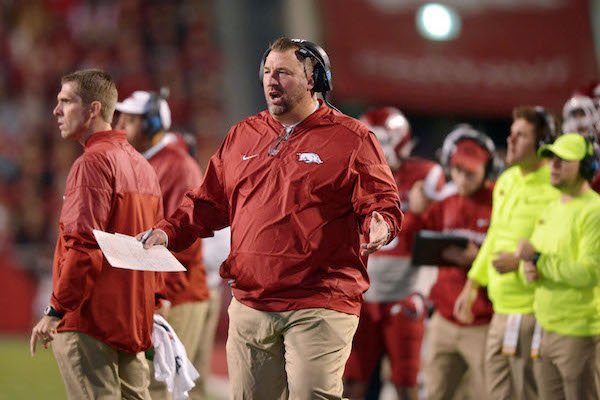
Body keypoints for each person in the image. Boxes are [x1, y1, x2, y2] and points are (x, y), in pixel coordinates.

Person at [139, 37, 403, 400]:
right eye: (266, 72)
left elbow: (383, 202)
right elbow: (208, 203)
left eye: (283, 73)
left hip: (319, 301)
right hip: (251, 302)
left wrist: (381, 223)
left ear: (314, 80)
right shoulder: (242, 135)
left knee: (313, 395)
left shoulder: (352, 139)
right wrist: (168, 232)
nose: (271, 80)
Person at [30, 69, 163, 399]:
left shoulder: (92, 163)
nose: (56, 110)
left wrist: (56, 311)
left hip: (90, 321)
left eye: (66, 101)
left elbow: (83, 245)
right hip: (131, 322)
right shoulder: (144, 167)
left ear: (92, 110)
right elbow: (155, 249)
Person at [454, 106, 560, 400]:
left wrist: (523, 259)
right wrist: (472, 284)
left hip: (533, 311)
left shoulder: (555, 187)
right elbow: (495, 235)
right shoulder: (507, 180)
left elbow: (560, 243)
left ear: (541, 144)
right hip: (500, 309)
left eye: (522, 136)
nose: (510, 141)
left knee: (529, 393)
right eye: (512, 134)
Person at [342, 106, 445, 400]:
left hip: (405, 290)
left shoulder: (426, 175)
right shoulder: (355, 177)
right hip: (364, 292)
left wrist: (427, 212)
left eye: (379, 141)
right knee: (352, 380)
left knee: (405, 381)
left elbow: (440, 233)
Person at [115, 89, 210, 399]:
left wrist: (162, 293)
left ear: (154, 123)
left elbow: (185, 236)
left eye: (130, 119)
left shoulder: (177, 167)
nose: (121, 125)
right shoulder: (145, 161)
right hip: (152, 291)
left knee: (161, 384)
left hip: (176, 293)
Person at [409, 125, 496, 400]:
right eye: (457, 169)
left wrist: (478, 261)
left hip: (484, 322)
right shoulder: (446, 199)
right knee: (434, 393)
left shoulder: (501, 200)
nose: (461, 177)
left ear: (488, 170)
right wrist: (416, 209)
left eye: (470, 172)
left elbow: (510, 256)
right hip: (444, 319)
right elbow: (415, 240)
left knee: (486, 395)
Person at [515, 133, 600, 400]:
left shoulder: (594, 211)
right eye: (552, 158)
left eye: (564, 160)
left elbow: (590, 272)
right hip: (545, 328)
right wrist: (527, 269)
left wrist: (539, 260)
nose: (554, 165)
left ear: (587, 167)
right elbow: (532, 261)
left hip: (578, 334)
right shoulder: (552, 207)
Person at [561, 93, 600, 192]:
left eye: (582, 114)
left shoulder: (596, 147)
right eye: (574, 115)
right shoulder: (562, 150)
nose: (579, 121)